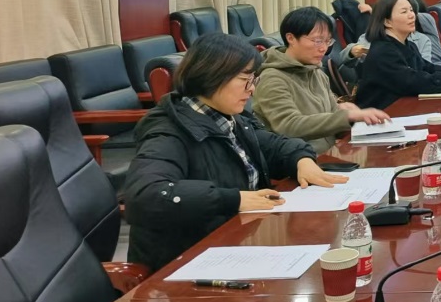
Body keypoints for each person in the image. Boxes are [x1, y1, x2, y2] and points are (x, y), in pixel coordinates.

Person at [123, 33, 348, 271]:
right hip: (185, 265)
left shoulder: (228, 117)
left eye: (253, 80)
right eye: (245, 80)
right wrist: (234, 199)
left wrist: (301, 159)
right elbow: (145, 197)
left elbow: (271, 144)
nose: (252, 90)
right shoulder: (167, 131)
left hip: (238, 242)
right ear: (212, 76)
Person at [254, 6, 391, 151]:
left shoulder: (317, 72)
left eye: (328, 41)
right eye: (318, 41)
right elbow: (289, 125)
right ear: (291, 38)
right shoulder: (272, 78)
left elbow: (331, 114)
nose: (324, 48)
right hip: (300, 160)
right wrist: (347, 117)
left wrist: (346, 114)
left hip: (330, 152)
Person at [355, 0, 441, 109]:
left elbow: (427, 68)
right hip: (379, 114)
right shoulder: (383, 51)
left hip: (401, 108)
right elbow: (411, 81)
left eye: (411, 10)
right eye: (404, 12)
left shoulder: (407, 45)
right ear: (387, 22)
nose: (412, 15)